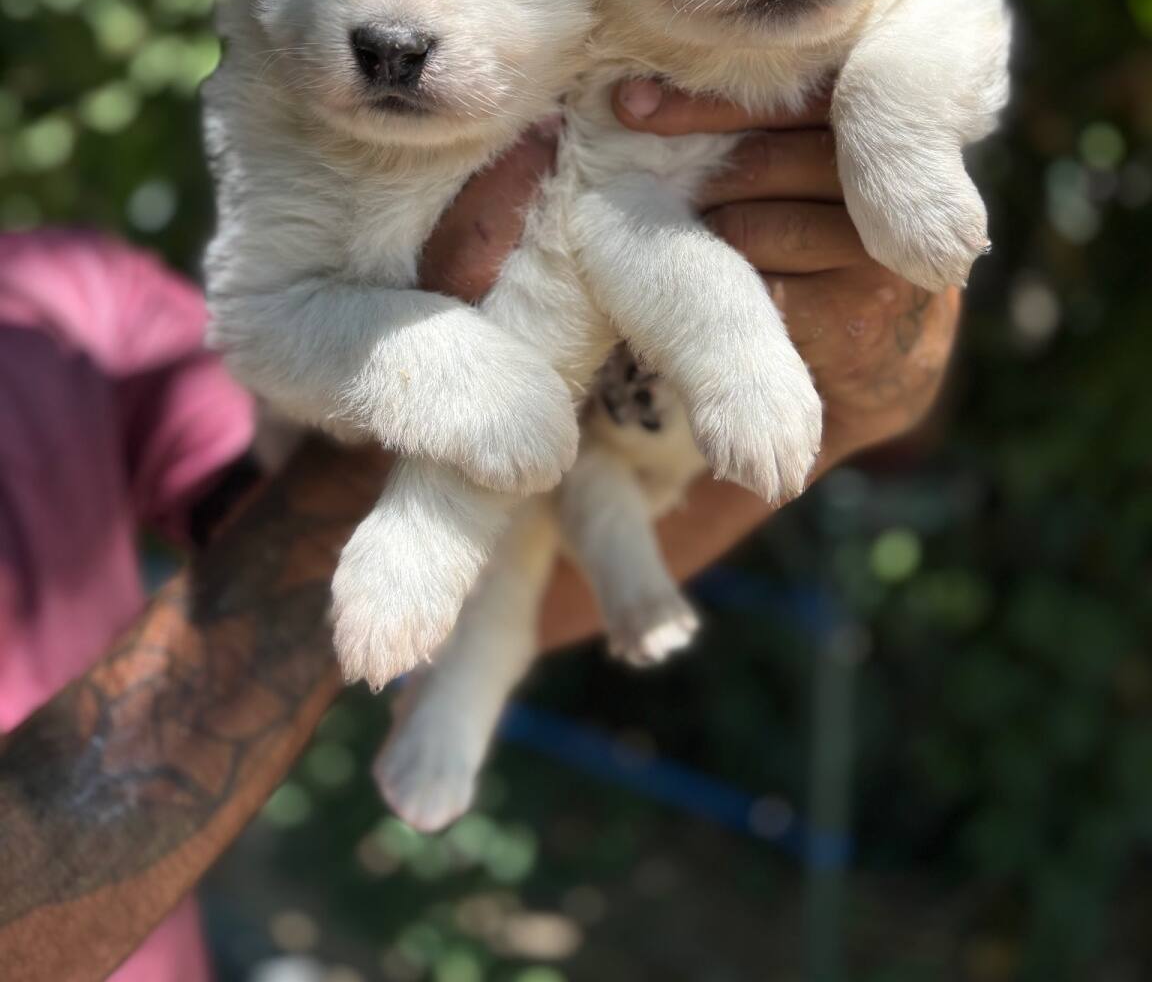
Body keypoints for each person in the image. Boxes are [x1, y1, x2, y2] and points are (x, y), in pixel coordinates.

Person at [0, 84, 960, 982]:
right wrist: (414, 380)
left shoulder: (60, 302)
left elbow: (357, 550)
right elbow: (344, 515)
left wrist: (849, 410)